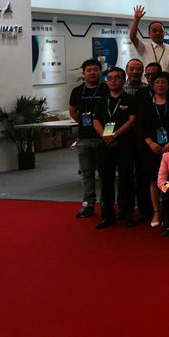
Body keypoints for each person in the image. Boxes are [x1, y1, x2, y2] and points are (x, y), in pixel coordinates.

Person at [136, 70, 169, 229]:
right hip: (152, 148)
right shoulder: (146, 104)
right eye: (157, 82)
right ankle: (156, 211)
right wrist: (150, 143)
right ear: (152, 85)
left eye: (163, 82)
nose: (160, 85)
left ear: (168, 84)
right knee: (154, 179)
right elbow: (140, 126)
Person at [91, 66, 137, 229]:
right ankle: (107, 215)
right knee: (106, 181)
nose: (113, 81)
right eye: (109, 78)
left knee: (126, 180)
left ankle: (127, 213)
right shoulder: (102, 100)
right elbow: (96, 120)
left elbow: (132, 120)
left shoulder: (130, 99)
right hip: (105, 144)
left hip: (124, 144)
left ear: (123, 81)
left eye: (117, 78)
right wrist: (106, 136)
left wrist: (115, 135)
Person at [68, 58, 110, 219]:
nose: (92, 73)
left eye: (95, 70)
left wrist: (106, 133)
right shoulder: (77, 91)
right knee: (87, 173)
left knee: (105, 173)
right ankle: (88, 203)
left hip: (103, 138)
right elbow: (72, 110)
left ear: (100, 71)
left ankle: (106, 203)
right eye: (89, 70)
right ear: (84, 73)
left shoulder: (107, 89)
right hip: (84, 138)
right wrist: (84, 124)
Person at [129, 5, 169, 74]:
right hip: (148, 80)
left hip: (166, 80)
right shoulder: (144, 47)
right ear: (149, 33)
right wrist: (136, 19)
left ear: (164, 33)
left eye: (160, 31)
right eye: (154, 31)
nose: (158, 33)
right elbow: (132, 37)